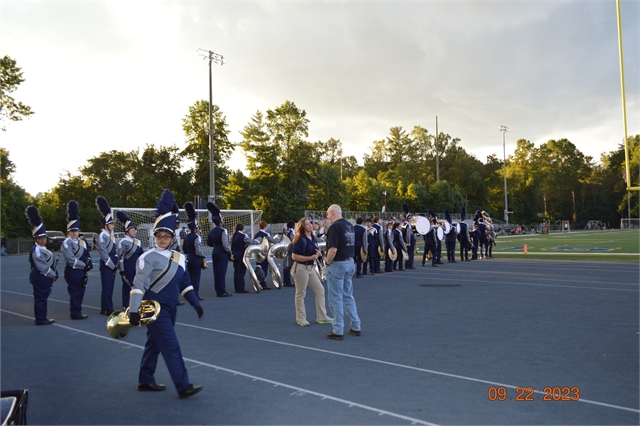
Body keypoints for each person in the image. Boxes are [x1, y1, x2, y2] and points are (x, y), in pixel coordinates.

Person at [128, 188, 203, 398]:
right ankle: (183, 385)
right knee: (171, 345)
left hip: (171, 308)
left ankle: (145, 379)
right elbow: (138, 284)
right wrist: (134, 310)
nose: (162, 239)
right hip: (153, 307)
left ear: (172, 237)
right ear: (155, 236)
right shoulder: (147, 256)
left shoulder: (179, 258)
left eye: (166, 236)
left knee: (154, 344)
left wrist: (195, 303)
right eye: (159, 236)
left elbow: (185, 284)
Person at [324, 205, 360, 340]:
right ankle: (356, 325)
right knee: (348, 296)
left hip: (337, 264)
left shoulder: (335, 227)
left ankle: (338, 329)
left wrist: (327, 262)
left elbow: (333, 249)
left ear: (332, 212)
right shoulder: (349, 225)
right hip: (350, 262)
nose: (327, 216)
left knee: (335, 298)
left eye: (328, 214)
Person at [291, 217, 332, 327]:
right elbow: (294, 256)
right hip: (300, 268)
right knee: (300, 293)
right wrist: (310, 257)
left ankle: (322, 316)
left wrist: (317, 254)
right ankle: (301, 318)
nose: (310, 225)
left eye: (310, 223)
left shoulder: (313, 238)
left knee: (320, 290)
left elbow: (315, 251)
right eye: (308, 224)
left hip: (310, 268)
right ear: (303, 227)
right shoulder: (300, 239)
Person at [25, 205, 58, 325]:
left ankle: (42, 316)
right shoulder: (37, 250)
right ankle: (40, 318)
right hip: (40, 276)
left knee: (43, 297)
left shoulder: (43, 249)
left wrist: (54, 273)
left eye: (44, 237)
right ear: (36, 239)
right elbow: (43, 267)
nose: (43, 240)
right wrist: (53, 275)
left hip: (45, 277)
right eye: (40, 238)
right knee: (40, 298)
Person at [61, 200, 91, 319]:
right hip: (73, 271)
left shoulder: (82, 242)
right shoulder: (66, 243)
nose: (75, 233)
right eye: (72, 231)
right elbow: (71, 260)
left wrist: (89, 263)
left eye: (76, 231)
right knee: (74, 292)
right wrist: (84, 265)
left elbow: (86, 254)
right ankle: (75, 313)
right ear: (68, 231)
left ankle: (78, 310)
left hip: (82, 271)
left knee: (81, 292)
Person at [96, 196, 118, 315]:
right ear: (106, 225)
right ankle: (108, 308)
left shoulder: (110, 235)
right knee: (107, 287)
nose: (113, 226)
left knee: (109, 287)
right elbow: (104, 254)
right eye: (111, 224)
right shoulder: (102, 236)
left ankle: (104, 307)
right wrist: (112, 265)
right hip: (107, 265)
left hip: (111, 264)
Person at [116, 210, 143, 309]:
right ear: (127, 231)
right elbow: (120, 256)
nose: (134, 231)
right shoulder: (123, 242)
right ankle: (126, 304)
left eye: (134, 230)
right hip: (127, 266)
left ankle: (136, 303)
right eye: (132, 230)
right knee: (127, 286)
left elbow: (141, 254)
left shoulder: (138, 242)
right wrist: (122, 270)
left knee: (137, 285)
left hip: (137, 266)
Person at [206, 202, 232, 297]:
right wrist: (229, 252)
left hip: (215, 250)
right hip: (222, 251)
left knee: (216, 272)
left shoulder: (212, 231)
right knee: (222, 272)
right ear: (221, 221)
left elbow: (209, 243)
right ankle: (222, 291)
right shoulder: (223, 230)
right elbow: (225, 243)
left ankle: (218, 289)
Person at [182, 202, 205, 300]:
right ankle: (195, 295)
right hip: (196, 258)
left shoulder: (186, 236)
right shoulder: (197, 237)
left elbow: (184, 249)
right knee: (196, 278)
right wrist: (202, 256)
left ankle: (189, 294)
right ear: (195, 228)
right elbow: (198, 249)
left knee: (190, 278)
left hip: (189, 257)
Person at [231, 223, 258, 293]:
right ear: (242, 228)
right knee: (241, 272)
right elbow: (250, 241)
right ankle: (241, 288)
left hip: (234, 255)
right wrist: (257, 241)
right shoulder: (243, 235)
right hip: (241, 255)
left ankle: (236, 288)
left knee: (236, 271)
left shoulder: (234, 236)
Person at [253, 221, 280, 290]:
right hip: (264, 253)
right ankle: (263, 284)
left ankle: (258, 282)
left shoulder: (256, 234)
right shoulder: (266, 234)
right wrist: (277, 238)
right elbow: (273, 241)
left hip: (257, 253)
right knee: (264, 268)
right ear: (265, 226)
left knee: (258, 267)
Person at [282, 220, 296, 286]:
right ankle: (288, 281)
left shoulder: (284, 231)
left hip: (285, 248)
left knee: (285, 265)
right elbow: (293, 239)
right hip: (291, 248)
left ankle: (285, 280)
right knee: (291, 264)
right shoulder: (291, 231)